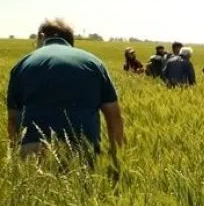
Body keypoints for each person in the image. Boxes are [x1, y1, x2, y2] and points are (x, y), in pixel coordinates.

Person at [6, 18, 125, 160]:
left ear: (41, 37)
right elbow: (114, 116)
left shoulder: (22, 65)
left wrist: (14, 160)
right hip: (84, 149)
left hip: (34, 151)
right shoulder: (94, 63)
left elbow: (13, 120)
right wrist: (116, 159)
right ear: (70, 40)